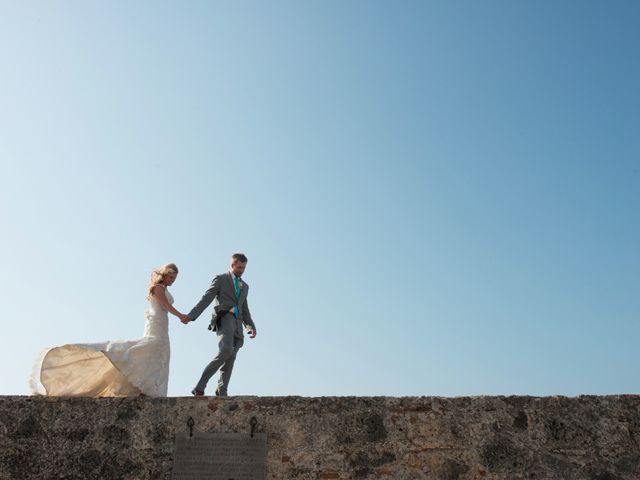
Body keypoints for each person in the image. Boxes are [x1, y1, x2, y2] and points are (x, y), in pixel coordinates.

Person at [30, 263, 190, 397]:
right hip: (156, 323)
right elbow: (165, 305)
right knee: (151, 348)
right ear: (164, 274)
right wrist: (181, 315)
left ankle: (145, 387)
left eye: (174, 278)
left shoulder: (164, 288)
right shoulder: (158, 288)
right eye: (171, 277)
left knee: (157, 351)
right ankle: (141, 383)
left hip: (161, 323)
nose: (172, 281)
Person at [184, 253, 257, 396]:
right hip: (224, 318)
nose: (241, 270)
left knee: (231, 357)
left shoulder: (245, 286)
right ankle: (200, 386)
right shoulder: (221, 279)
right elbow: (207, 298)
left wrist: (250, 326)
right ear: (232, 265)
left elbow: (244, 308)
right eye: (239, 267)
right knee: (225, 350)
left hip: (238, 324)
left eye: (244, 268)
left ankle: (222, 390)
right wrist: (192, 315)